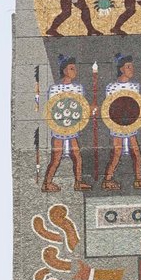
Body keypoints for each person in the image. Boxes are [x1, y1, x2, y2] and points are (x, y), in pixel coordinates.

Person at [101, 54, 141, 191]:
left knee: (136, 152)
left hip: (131, 122)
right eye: (128, 67)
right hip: (118, 123)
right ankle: (107, 179)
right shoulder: (112, 87)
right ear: (121, 69)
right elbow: (110, 106)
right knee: (117, 152)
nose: (132, 69)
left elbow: (137, 105)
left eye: (132, 66)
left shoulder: (134, 86)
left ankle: (138, 179)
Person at [41, 56, 91, 191]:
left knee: (77, 156)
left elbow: (82, 107)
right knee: (56, 157)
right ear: (64, 71)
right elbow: (52, 108)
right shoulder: (55, 89)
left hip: (73, 126)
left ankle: (78, 182)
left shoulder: (78, 88)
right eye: (71, 68)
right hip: (59, 127)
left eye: (75, 68)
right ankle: (47, 183)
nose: (75, 71)